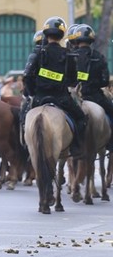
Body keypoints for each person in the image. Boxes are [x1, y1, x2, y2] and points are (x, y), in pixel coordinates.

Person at [23, 16, 85, 155]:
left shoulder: (37, 53)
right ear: (62, 35)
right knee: (81, 118)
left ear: (46, 34)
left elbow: (27, 75)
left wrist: (32, 92)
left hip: (39, 98)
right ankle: (76, 148)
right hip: (62, 98)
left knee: (23, 118)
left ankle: (26, 147)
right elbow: (73, 80)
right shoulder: (68, 54)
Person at [68, 23, 113, 146]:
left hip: (74, 98)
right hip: (95, 96)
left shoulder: (70, 57)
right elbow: (104, 81)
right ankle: (111, 144)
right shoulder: (99, 57)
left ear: (76, 39)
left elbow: (67, 78)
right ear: (91, 40)